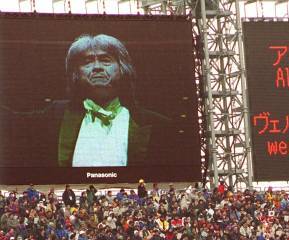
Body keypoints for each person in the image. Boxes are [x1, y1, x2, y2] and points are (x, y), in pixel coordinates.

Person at [3, 34, 176, 168]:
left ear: (122, 69)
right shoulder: (57, 113)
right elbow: (12, 121)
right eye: (87, 62)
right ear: (76, 74)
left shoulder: (155, 123)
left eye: (105, 60)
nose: (97, 67)